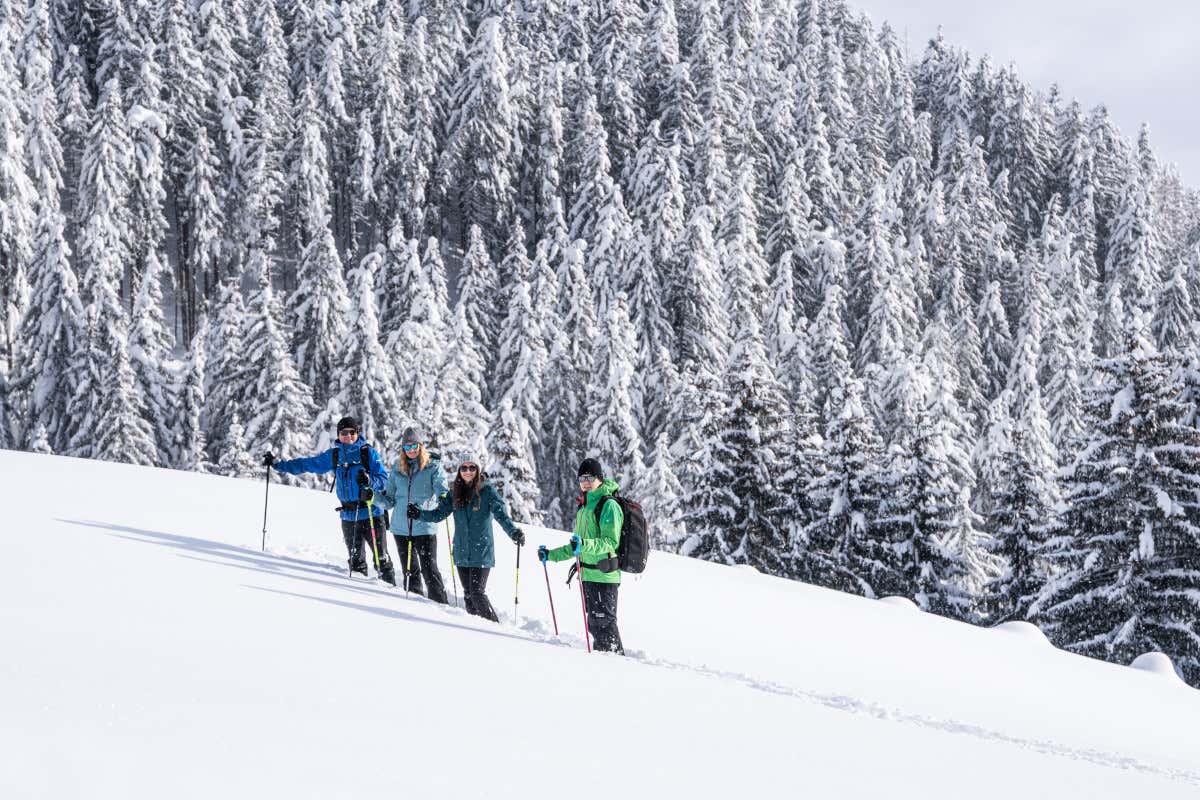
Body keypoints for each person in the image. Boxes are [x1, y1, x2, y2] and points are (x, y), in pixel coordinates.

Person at [263, 416, 395, 585]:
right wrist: (277, 464)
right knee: (356, 564)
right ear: (338, 435)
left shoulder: (368, 453)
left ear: (357, 433)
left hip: (372, 513)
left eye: (352, 432)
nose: (348, 436)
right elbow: (307, 464)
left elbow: (384, 479)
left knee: (382, 560)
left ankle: (391, 593)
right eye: (344, 433)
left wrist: (369, 480)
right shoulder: (335, 455)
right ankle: (358, 595)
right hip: (349, 516)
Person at [408, 455, 524, 622]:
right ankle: (474, 629)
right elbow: (438, 514)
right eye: (464, 468)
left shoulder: (487, 491)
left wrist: (513, 532)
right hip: (462, 551)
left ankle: (495, 627)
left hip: (481, 551)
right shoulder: (454, 493)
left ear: (478, 470)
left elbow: (501, 515)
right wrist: (419, 514)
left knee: (477, 593)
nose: (468, 471)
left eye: (472, 468)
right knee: (468, 595)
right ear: (459, 471)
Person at [539, 458, 624, 654]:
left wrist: (584, 544)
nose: (585, 482)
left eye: (590, 478)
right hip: (587, 576)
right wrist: (550, 555)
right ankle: (603, 663)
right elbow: (576, 546)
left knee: (605, 625)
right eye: (581, 478)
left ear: (600, 478)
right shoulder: (584, 508)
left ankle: (617, 663)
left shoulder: (608, 505)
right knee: (595, 625)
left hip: (604, 575)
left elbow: (610, 542)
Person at [378, 426, 449, 603]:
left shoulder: (433, 466)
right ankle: (414, 606)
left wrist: (443, 497)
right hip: (401, 529)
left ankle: (442, 606)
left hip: (424, 526)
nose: (411, 450)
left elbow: (441, 488)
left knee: (430, 571)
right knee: (410, 572)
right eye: (407, 447)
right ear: (403, 449)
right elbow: (389, 500)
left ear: (421, 446)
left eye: (414, 446)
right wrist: (372, 497)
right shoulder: (397, 469)